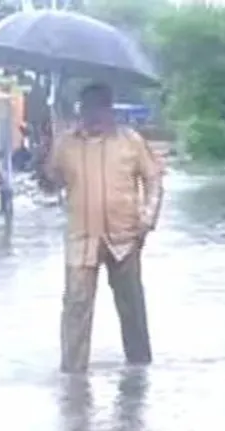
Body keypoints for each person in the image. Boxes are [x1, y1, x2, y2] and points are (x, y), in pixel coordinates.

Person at [42, 82, 165, 374]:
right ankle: (72, 375)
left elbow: (154, 180)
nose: (93, 116)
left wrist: (147, 219)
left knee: (131, 306)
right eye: (87, 109)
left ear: (109, 110)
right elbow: (50, 182)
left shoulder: (130, 141)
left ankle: (139, 371)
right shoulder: (66, 143)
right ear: (81, 110)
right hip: (81, 238)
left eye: (99, 109)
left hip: (124, 235)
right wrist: (45, 152)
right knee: (75, 306)